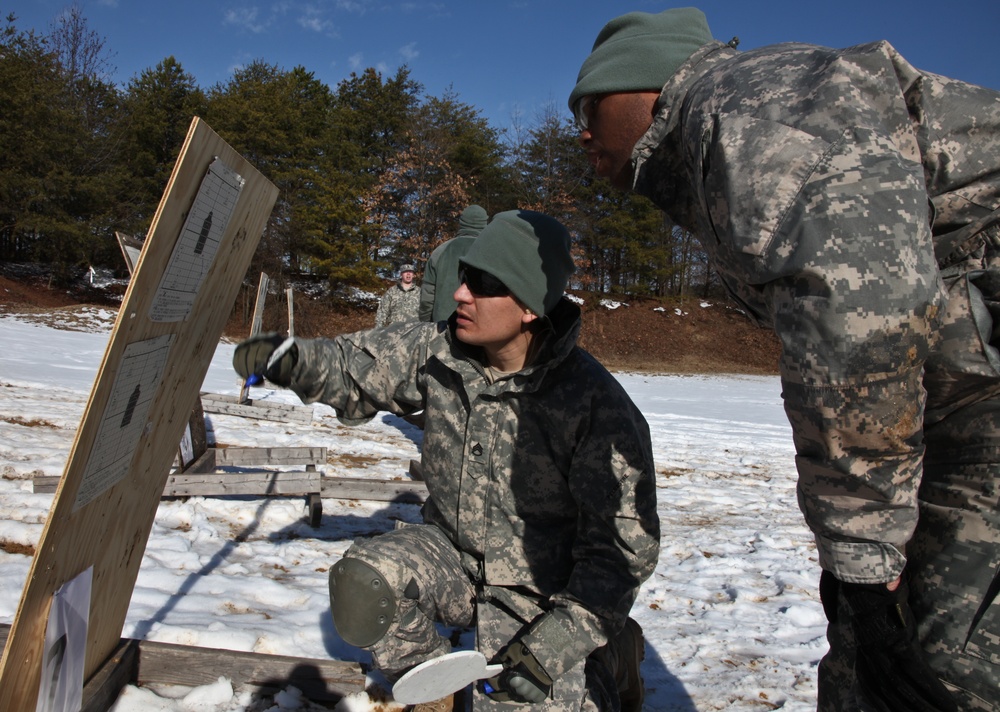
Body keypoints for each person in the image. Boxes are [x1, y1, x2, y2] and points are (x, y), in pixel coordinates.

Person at [570, 7, 1000, 712]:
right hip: (964, 400)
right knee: (882, 660)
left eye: (590, 105)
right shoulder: (723, 146)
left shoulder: (752, 110)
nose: (581, 130)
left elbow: (863, 315)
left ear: (646, 90)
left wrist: (862, 554)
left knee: (946, 668)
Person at [233, 210, 660, 711]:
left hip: (543, 590)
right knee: (364, 584)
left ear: (527, 306)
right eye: (463, 278)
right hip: (452, 555)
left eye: (481, 284)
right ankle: (438, 693)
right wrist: (292, 360)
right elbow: (355, 364)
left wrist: (554, 648)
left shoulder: (595, 406)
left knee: (520, 693)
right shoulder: (440, 352)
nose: (460, 293)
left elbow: (622, 550)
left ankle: (612, 654)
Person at [419, 204, 489, 322]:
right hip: (481, 329)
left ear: (461, 222)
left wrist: (425, 325)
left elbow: (427, 296)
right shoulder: (493, 251)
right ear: (485, 223)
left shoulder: (440, 252)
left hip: (442, 327)